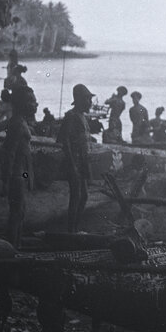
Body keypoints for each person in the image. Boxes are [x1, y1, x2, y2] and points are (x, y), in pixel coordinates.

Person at [1, 86, 38, 247]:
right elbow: (8, 153)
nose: (34, 105)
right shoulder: (17, 123)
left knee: (20, 211)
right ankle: (12, 247)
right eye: (30, 101)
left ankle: (16, 244)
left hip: (21, 173)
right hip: (16, 175)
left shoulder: (20, 121)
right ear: (20, 103)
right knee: (17, 213)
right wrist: (6, 181)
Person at [57, 84, 96, 233]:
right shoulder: (71, 116)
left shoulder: (83, 117)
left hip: (83, 161)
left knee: (84, 196)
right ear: (79, 100)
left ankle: (75, 227)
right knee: (76, 196)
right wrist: (72, 165)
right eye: (87, 99)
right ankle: (71, 230)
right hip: (74, 161)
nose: (90, 102)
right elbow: (64, 140)